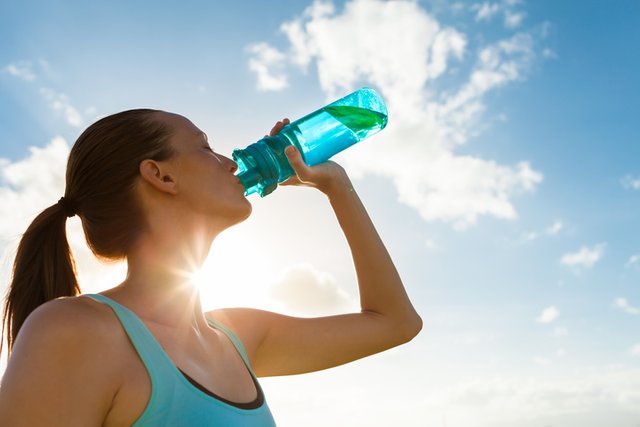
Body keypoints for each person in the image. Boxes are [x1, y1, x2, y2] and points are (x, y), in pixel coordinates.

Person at [0, 109, 422, 426]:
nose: (232, 161)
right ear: (160, 176)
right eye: (205, 147)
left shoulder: (236, 337)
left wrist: (333, 184)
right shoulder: (75, 331)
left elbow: (396, 323)